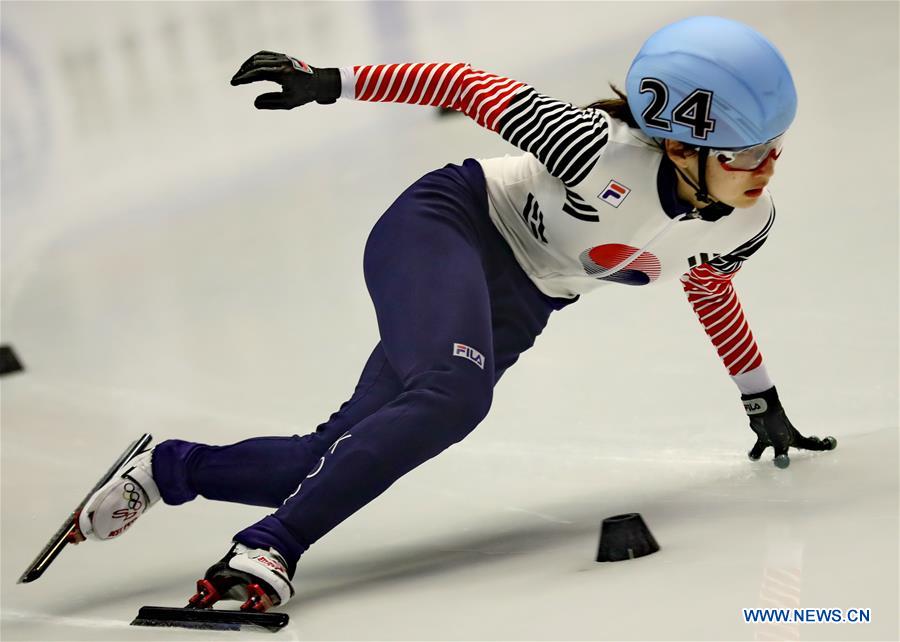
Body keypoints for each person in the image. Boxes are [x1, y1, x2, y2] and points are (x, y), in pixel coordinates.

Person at [72, 16, 835, 612]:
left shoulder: (746, 221)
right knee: (454, 394)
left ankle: (169, 468)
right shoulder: (593, 149)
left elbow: (710, 288)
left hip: (521, 302)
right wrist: (327, 80)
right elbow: (462, 82)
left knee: (323, 459)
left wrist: (759, 397)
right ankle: (267, 551)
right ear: (678, 146)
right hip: (448, 226)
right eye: (746, 152)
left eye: (773, 146)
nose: (768, 166)